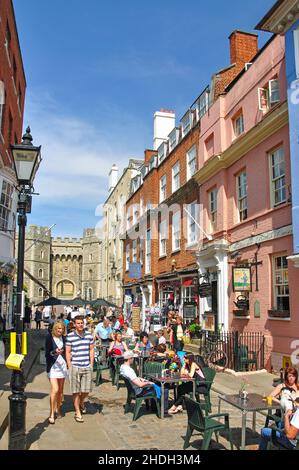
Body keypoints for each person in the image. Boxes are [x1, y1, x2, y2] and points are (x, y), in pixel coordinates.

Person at [120, 350, 169, 416]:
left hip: (133, 389)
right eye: (133, 358)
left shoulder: (122, 367)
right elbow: (140, 385)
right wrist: (148, 382)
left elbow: (134, 379)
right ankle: (164, 412)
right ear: (129, 359)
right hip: (138, 391)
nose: (134, 359)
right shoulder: (129, 371)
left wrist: (141, 379)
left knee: (155, 385)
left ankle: (154, 408)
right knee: (164, 390)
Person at [65, 316, 94, 423]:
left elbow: (91, 349)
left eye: (82, 323)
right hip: (75, 366)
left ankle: (81, 402)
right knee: (76, 391)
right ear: (74, 324)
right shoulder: (70, 336)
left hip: (86, 366)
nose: (80, 325)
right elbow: (67, 352)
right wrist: (69, 366)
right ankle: (77, 411)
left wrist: (91, 364)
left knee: (86, 390)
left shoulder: (88, 335)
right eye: (78, 323)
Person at [45, 321, 67, 424]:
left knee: (60, 391)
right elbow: (47, 353)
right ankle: (51, 413)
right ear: (55, 329)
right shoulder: (49, 338)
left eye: (62, 329)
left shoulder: (64, 338)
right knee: (55, 389)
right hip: (53, 367)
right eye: (58, 329)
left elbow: (68, 351)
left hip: (62, 366)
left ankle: (58, 409)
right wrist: (54, 352)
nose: (60, 330)